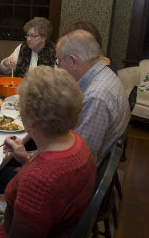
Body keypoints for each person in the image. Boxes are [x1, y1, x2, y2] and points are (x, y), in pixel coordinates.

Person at [0, 66, 96, 238]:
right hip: (57, 229)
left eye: (21, 108)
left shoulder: (38, 182)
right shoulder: (76, 140)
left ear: (30, 120)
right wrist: (25, 158)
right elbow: (50, 171)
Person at [56, 29, 130, 165]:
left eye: (58, 61)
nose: (59, 67)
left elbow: (78, 160)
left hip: (81, 174)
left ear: (73, 61)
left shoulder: (96, 98)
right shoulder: (104, 73)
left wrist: (29, 159)